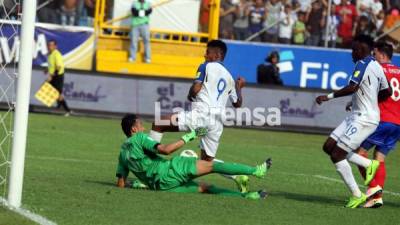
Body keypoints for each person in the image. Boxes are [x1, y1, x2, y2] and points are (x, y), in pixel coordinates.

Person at [147, 40, 249, 192]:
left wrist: (190, 96)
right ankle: (237, 176)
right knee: (206, 162)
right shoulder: (229, 77)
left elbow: (195, 89)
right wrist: (239, 87)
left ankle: (148, 170)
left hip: (201, 115)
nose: (205, 55)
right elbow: (237, 104)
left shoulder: (205, 65)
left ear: (216, 54)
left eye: (207, 52)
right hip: (217, 123)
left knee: (159, 123)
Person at [116, 114, 270, 200]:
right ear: (134, 129)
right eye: (141, 125)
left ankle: (248, 196)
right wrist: (191, 135)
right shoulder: (139, 138)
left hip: (161, 187)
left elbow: (121, 184)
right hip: (171, 171)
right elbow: (166, 150)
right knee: (211, 165)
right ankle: (256, 170)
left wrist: (136, 183)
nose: (143, 127)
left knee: (205, 187)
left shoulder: (122, 153)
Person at [315, 35, 391, 208]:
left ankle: (357, 194)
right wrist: (370, 101)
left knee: (337, 155)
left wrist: (327, 97)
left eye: (354, 49)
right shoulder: (378, 66)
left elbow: (352, 87)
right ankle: (368, 164)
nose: (352, 53)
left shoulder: (362, 64)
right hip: (358, 115)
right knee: (328, 147)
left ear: (363, 50)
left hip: (364, 118)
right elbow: (388, 92)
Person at [353, 42, 400, 208]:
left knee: (358, 153)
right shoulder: (399, 72)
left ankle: (374, 190)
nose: (373, 56)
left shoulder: (378, 70)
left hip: (381, 120)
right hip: (397, 123)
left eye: (374, 53)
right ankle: (376, 198)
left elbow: (373, 92)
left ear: (381, 54)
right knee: (379, 158)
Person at [46, 40, 72, 116]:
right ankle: (59, 104)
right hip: (54, 75)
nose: (49, 47)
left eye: (51, 45)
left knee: (58, 94)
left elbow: (59, 66)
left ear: (55, 46)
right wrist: (47, 70)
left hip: (58, 76)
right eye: (48, 45)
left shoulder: (56, 54)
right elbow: (52, 65)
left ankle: (68, 110)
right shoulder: (50, 54)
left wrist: (51, 76)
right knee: (51, 91)